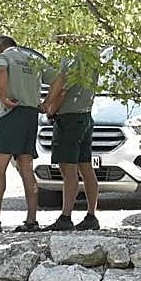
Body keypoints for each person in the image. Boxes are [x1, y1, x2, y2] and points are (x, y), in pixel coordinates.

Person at [0, 35, 44, 232]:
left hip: (12, 113)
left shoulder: (3, 58)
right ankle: (32, 220)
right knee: (26, 166)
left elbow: (1, 71)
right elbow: (57, 78)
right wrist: (47, 104)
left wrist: (4, 97)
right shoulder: (32, 59)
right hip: (31, 114)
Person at [42, 51, 101, 231]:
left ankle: (66, 216)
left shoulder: (71, 59)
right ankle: (91, 215)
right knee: (86, 167)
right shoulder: (91, 58)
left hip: (69, 118)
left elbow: (61, 89)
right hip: (85, 115)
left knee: (68, 168)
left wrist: (49, 108)